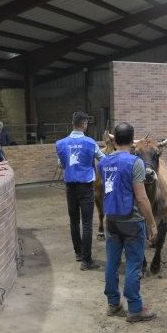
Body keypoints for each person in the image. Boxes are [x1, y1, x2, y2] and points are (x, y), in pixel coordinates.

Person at [100, 122, 158, 323]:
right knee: (133, 264)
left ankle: (113, 304)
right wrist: (152, 224)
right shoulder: (135, 163)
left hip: (111, 219)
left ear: (114, 139)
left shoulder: (104, 162)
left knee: (112, 263)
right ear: (132, 140)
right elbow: (141, 198)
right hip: (132, 221)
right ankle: (135, 308)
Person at [56, 111, 102, 270]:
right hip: (86, 186)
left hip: (70, 186)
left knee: (74, 220)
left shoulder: (61, 143)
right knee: (87, 222)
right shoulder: (90, 142)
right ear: (84, 124)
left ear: (73, 123)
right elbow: (102, 159)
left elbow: (61, 164)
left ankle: (78, 253)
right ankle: (87, 260)